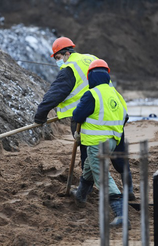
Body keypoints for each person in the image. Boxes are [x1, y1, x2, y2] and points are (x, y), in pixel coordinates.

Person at [33, 37, 135, 201]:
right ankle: (128, 190)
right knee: (118, 153)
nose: (58, 62)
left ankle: (86, 194)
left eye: (58, 58)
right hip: (114, 112)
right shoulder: (92, 59)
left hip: (88, 118)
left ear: (66, 53)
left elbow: (54, 94)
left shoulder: (69, 68)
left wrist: (40, 116)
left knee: (89, 157)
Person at [72, 59, 129, 228]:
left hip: (96, 143)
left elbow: (77, 116)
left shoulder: (92, 94)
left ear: (91, 77)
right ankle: (80, 196)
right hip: (112, 142)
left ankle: (121, 214)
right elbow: (125, 116)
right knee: (89, 167)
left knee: (102, 174)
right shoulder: (116, 94)